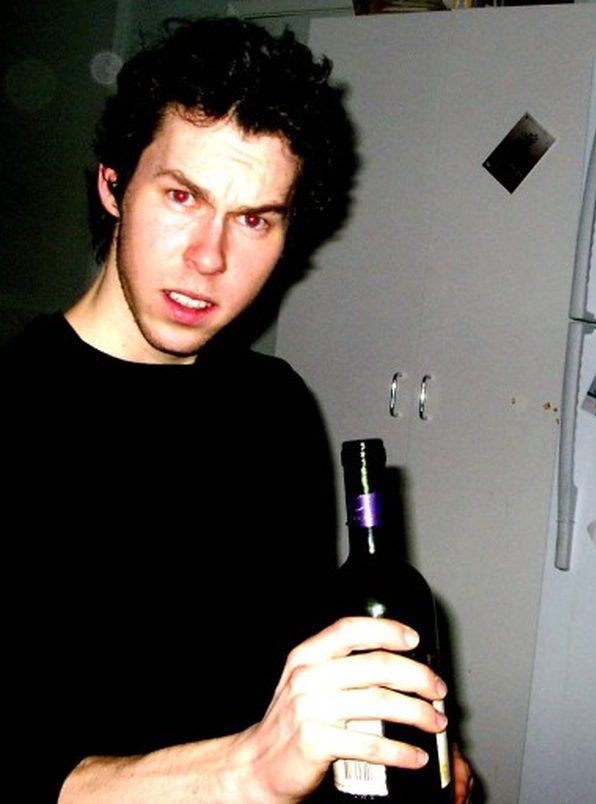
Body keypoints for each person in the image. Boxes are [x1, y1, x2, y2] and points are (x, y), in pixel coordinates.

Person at [1, 16, 472, 803]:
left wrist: (368, 744)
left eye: (254, 219)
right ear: (112, 185)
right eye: (182, 196)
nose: (210, 257)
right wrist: (248, 770)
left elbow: (286, 672)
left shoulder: (275, 408)